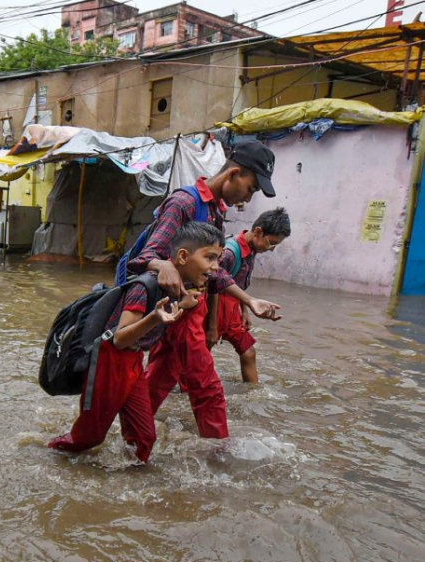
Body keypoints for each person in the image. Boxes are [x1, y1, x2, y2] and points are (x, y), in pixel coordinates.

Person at [126, 141, 281, 441]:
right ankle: (218, 452)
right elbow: (144, 258)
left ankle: (130, 435)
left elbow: (215, 272)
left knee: (158, 381)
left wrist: (249, 301)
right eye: (250, 189)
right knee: (207, 387)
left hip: (187, 309)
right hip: (177, 308)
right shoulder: (184, 202)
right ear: (234, 174)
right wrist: (162, 265)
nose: (248, 198)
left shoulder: (214, 212)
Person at [49, 222, 224, 464]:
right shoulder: (145, 286)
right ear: (183, 256)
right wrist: (154, 317)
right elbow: (120, 339)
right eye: (210, 258)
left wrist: (181, 306)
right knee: (89, 438)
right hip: (109, 363)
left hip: (133, 362)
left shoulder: (177, 288)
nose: (216, 267)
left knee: (144, 437)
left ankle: (129, 480)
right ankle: (51, 452)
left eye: (218, 259)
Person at [207, 208, 291, 383]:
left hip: (233, 308)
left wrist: (244, 311)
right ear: (258, 232)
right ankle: (185, 395)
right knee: (200, 356)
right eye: (271, 243)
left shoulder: (251, 251)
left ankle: (252, 395)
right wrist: (212, 326)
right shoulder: (229, 253)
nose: (271, 249)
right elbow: (213, 286)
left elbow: (238, 284)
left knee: (248, 351)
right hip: (214, 308)